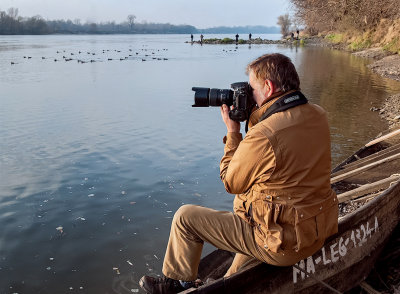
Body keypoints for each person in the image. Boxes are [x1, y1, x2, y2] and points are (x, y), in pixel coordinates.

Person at [139, 53, 338, 294]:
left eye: (251, 89)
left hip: (281, 243)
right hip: (315, 231)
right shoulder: (317, 113)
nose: (249, 96)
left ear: (268, 86)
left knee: (185, 218)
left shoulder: (266, 133)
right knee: (238, 253)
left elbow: (231, 182)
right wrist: (257, 116)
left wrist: (233, 132)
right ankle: (229, 280)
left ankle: (178, 284)